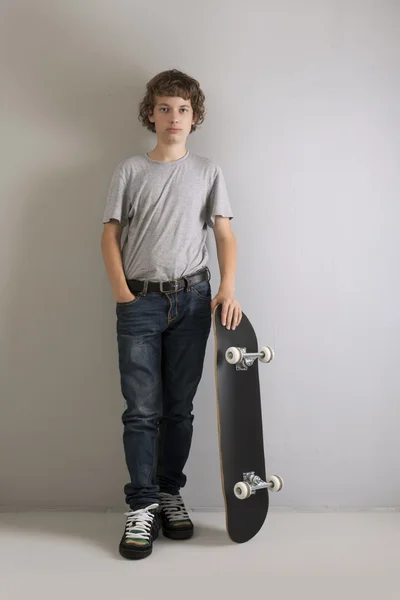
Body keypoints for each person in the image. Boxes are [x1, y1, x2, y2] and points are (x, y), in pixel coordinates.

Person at [101, 69, 242, 560]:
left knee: (178, 409)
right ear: (150, 114)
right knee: (141, 412)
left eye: (183, 109)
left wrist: (227, 289)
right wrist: (123, 292)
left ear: (196, 116)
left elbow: (223, 233)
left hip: (193, 302)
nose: (173, 117)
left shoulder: (208, 171)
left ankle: (168, 493)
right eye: (164, 108)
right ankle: (140, 508)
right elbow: (110, 233)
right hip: (139, 303)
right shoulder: (130, 171)